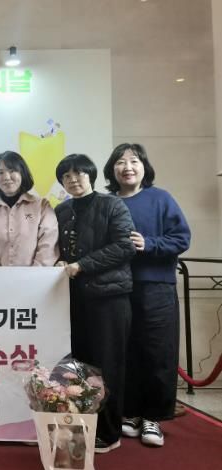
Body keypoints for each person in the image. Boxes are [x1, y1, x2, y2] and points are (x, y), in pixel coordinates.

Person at [104, 143, 191, 448]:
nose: (127, 167)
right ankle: (130, 412)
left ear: (144, 167)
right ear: (112, 169)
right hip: (117, 289)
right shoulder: (107, 202)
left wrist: (150, 243)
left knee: (158, 352)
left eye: (134, 161)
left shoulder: (160, 198)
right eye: (120, 162)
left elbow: (182, 238)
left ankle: (153, 416)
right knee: (125, 351)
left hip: (156, 287)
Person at [54, 153, 136, 453]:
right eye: (66, 176)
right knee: (77, 367)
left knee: (108, 366)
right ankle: (81, 427)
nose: (73, 179)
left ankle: (109, 432)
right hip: (74, 300)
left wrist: (83, 265)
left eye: (78, 173)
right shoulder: (61, 210)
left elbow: (125, 246)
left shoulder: (112, 205)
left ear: (90, 175)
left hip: (109, 299)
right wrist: (61, 261)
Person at [0, 151, 58, 266]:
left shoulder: (42, 206)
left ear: (22, 173)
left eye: (12, 170)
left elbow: (48, 246)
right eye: (0, 172)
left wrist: (34, 274)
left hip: (37, 276)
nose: (6, 177)